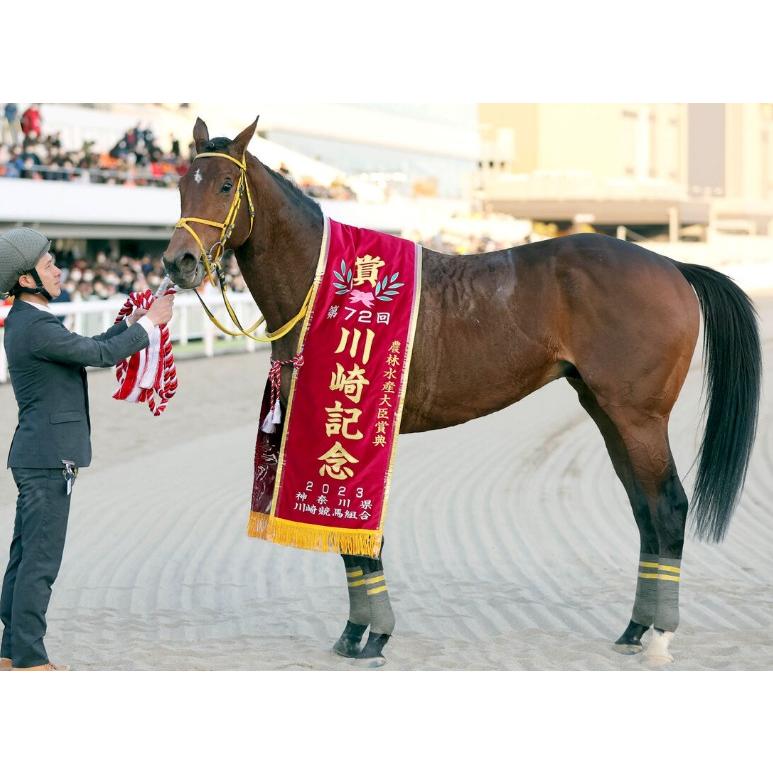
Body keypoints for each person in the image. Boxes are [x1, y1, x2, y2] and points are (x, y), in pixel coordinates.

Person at [0, 227, 174, 671]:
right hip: (46, 457)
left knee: (24, 557)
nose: (59, 271)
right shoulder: (34, 325)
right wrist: (151, 325)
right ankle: (31, 658)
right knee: (39, 561)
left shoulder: (29, 322)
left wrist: (136, 321)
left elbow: (95, 346)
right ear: (25, 279)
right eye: (48, 266)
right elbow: (100, 357)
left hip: (38, 453)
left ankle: (11, 650)